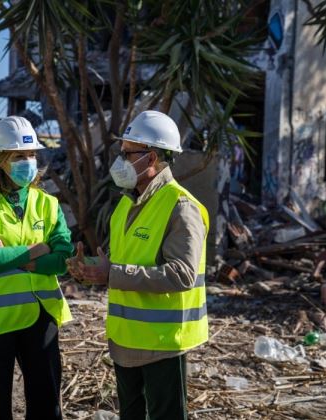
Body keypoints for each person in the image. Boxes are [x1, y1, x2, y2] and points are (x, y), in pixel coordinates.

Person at [67, 111, 209, 420]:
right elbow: (123, 263)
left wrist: (112, 273)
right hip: (125, 341)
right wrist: (89, 268)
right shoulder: (126, 204)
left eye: (127, 153)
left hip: (162, 344)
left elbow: (181, 275)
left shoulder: (181, 207)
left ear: (151, 158)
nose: (120, 161)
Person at [0, 116, 73, 420]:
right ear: (0, 160)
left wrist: (17, 256)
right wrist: (38, 250)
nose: (28, 162)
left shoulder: (48, 204)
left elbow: (63, 258)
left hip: (42, 315)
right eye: (19, 156)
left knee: (47, 403)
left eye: (32, 155)